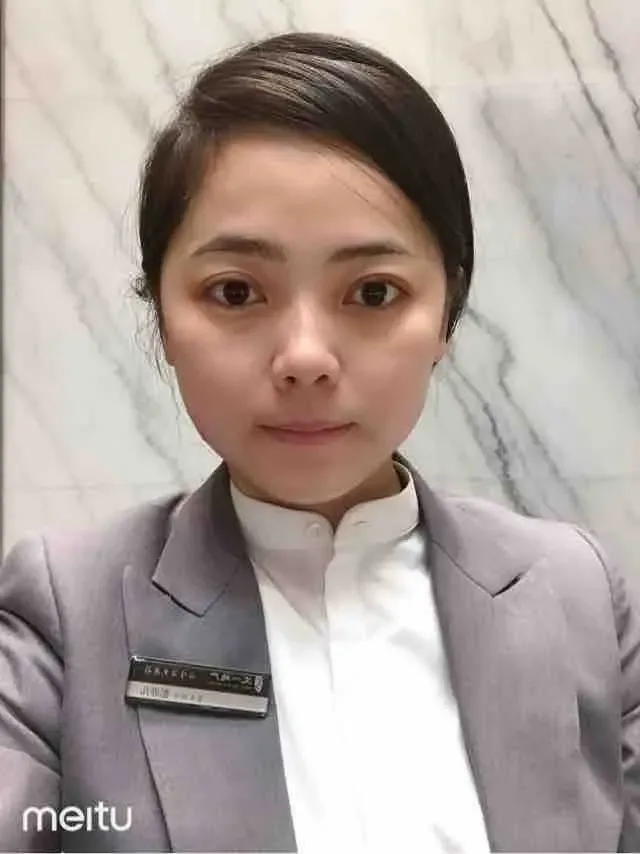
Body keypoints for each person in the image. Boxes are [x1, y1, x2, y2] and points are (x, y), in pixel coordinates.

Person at [0, 30, 638, 854]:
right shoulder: (65, 614)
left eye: (372, 292)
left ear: (447, 312)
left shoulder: (579, 595)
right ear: (161, 313)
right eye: (236, 292)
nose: (304, 357)